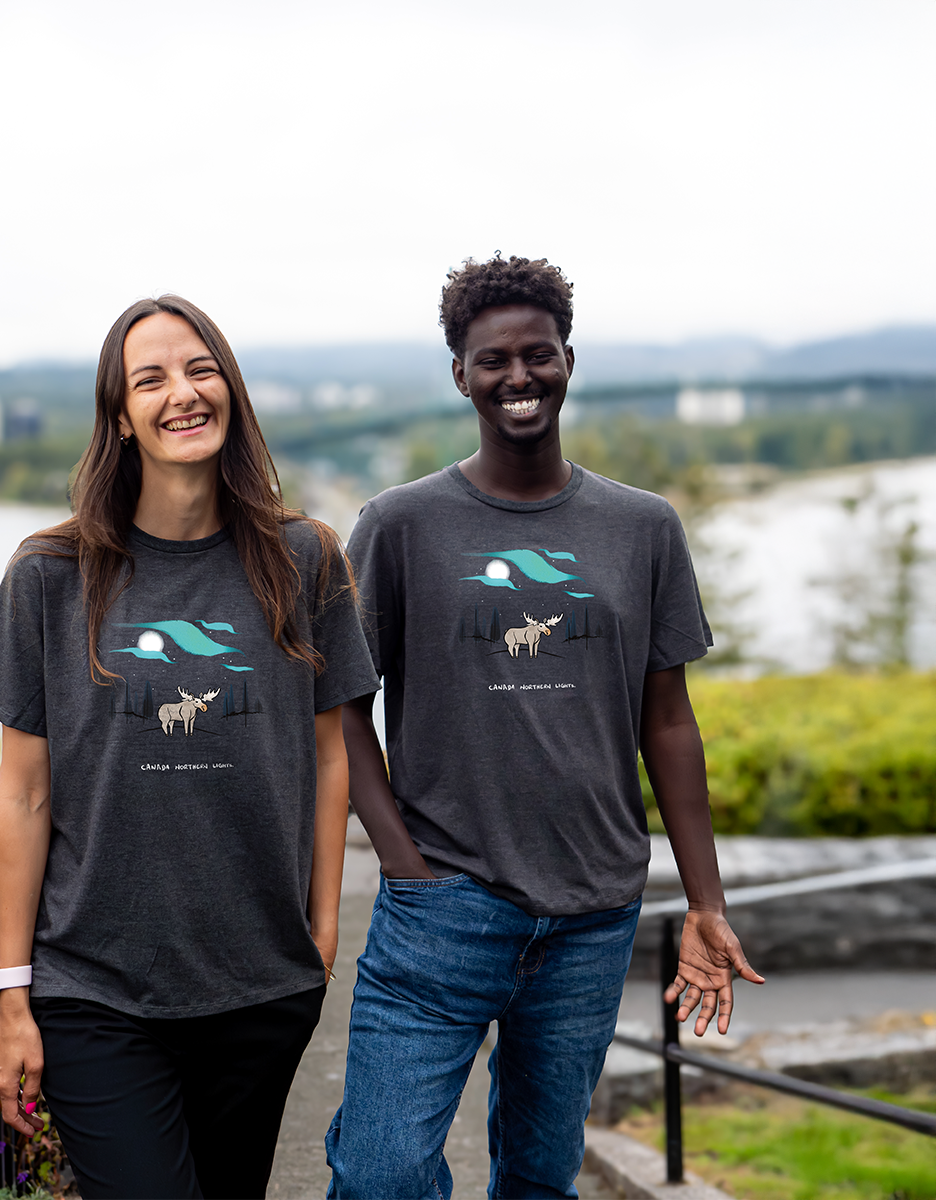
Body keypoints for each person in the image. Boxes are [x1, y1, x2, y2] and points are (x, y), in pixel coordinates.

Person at [325, 255, 763, 1199]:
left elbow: (670, 722)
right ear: (460, 375)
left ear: (569, 360)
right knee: (380, 1176)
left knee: (540, 1175)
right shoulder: (400, 525)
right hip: (443, 908)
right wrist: (403, 860)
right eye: (494, 361)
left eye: (539, 355)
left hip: (593, 915)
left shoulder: (642, 527)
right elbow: (339, 710)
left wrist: (705, 901)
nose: (518, 378)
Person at [0, 295, 378, 1199]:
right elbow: (23, 795)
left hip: (261, 983)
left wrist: (325, 930)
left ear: (231, 389)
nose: (182, 394)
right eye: (151, 379)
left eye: (200, 369)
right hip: (94, 988)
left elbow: (332, 751)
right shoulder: (51, 577)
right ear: (120, 417)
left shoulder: (305, 559)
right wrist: (14, 994)